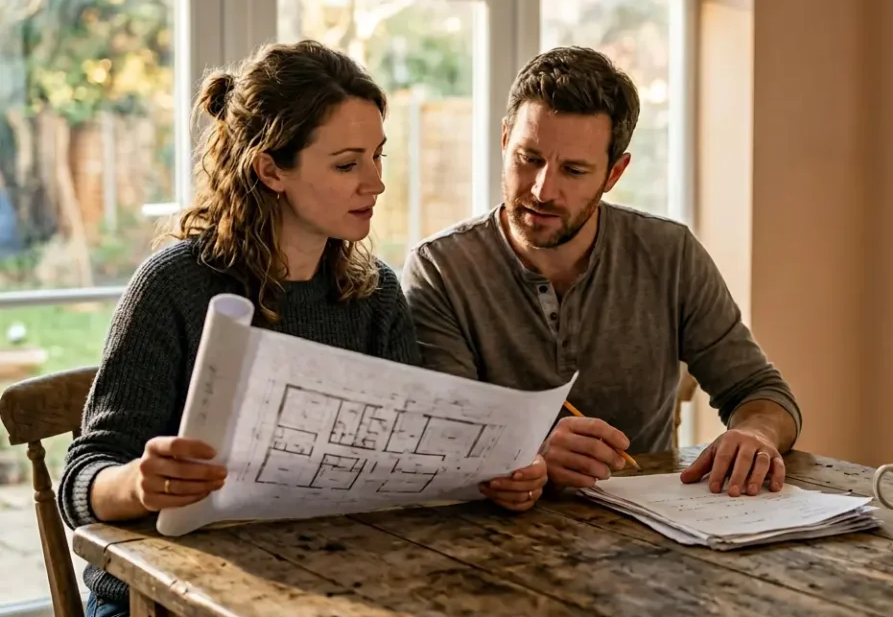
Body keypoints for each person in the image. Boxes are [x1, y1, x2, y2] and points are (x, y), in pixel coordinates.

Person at [57, 40, 547, 617]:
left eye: (377, 157)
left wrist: (498, 474)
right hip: (161, 599)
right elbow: (80, 481)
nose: (376, 183)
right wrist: (139, 482)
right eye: (346, 164)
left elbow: (410, 473)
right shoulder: (174, 285)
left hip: (322, 584)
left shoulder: (375, 293)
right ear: (271, 169)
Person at [401, 46, 802, 499]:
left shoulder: (670, 254)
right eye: (528, 158)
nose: (542, 189)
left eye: (573, 170)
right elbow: (447, 435)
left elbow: (760, 391)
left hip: (652, 529)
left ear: (615, 172)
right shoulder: (440, 269)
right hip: (488, 531)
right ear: (504, 138)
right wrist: (525, 453)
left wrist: (758, 434)